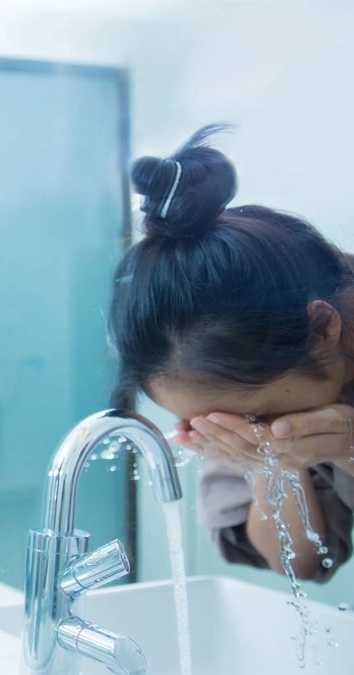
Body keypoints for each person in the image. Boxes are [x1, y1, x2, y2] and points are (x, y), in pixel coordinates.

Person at [107, 125, 354, 583]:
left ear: (322, 328)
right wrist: (270, 466)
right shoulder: (234, 388)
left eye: (256, 422)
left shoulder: (250, 368)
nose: (246, 434)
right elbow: (301, 564)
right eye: (211, 426)